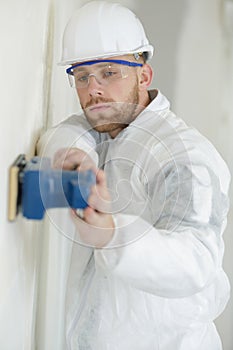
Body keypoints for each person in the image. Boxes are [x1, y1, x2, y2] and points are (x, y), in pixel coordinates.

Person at [37, 1, 231, 349]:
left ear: (144, 75)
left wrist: (113, 235)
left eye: (109, 72)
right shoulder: (107, 130)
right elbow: (65, 132)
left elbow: (195, 262)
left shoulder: (183, 157)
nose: (93, 89)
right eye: (82, 76)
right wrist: (74, 156)